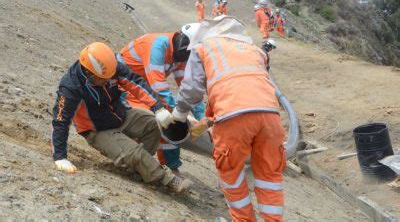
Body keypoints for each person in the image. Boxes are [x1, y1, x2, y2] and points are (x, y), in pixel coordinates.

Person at [172, 16, 286, 221]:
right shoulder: (253, 49)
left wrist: (179, 114)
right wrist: (204, 122)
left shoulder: (203, 47)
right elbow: (243, 87)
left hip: (235, 120)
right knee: (270, 176)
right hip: (271, 118)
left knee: (231, 173)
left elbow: (192, 89)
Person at [51, 42, 191, 194]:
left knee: (155, 124)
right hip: (97, 130)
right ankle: (167, 179)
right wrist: (60, 157)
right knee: (133, 152)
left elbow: (136, 83)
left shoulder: (111, 67)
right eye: (104, 79)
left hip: (120, 115)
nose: (109, 80)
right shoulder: (71, 87)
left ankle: (137, 168)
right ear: (89, 73)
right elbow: (60, 121)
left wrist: (158, 108)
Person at [118, 27, 205, 173]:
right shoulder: (158, 46)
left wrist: (202, 119)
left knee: (171, 119)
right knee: (160, 120)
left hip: (143, 89)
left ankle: (171, 166)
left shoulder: (180, 55)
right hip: (123, 87)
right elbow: (159, 88)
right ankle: (133, 159)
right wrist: (179, 114)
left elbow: (189, 89)